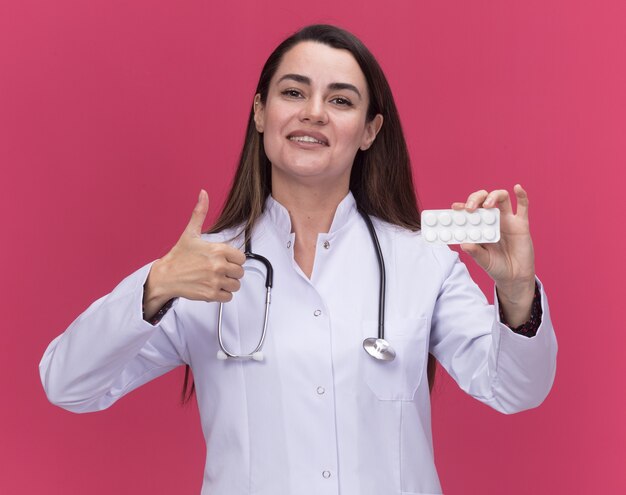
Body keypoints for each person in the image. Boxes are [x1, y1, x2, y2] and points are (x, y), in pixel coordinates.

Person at [40, 24, 557, 495]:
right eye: (293, 92)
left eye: (340, 100)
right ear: (261, 112)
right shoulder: (202, 268)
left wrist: (516, 293)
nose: (314, 112)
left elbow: (513, 390)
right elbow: (69, 385)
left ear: (370, 131)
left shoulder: (422, 261)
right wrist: (154, 286)